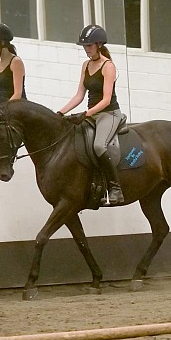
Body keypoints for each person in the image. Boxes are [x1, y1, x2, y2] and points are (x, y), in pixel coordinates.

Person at [58, 24, 124, 205]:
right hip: (91, 114)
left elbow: (106, 99)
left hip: (108, 114)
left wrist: (86, 114)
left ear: (99, 44)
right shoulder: (86, 65)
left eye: (89, 46)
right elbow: (79, 95)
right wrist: (61, 112)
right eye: (84, 46)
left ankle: (115, 188)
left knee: (99, 147)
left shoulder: (108, 66)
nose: (86, 50)